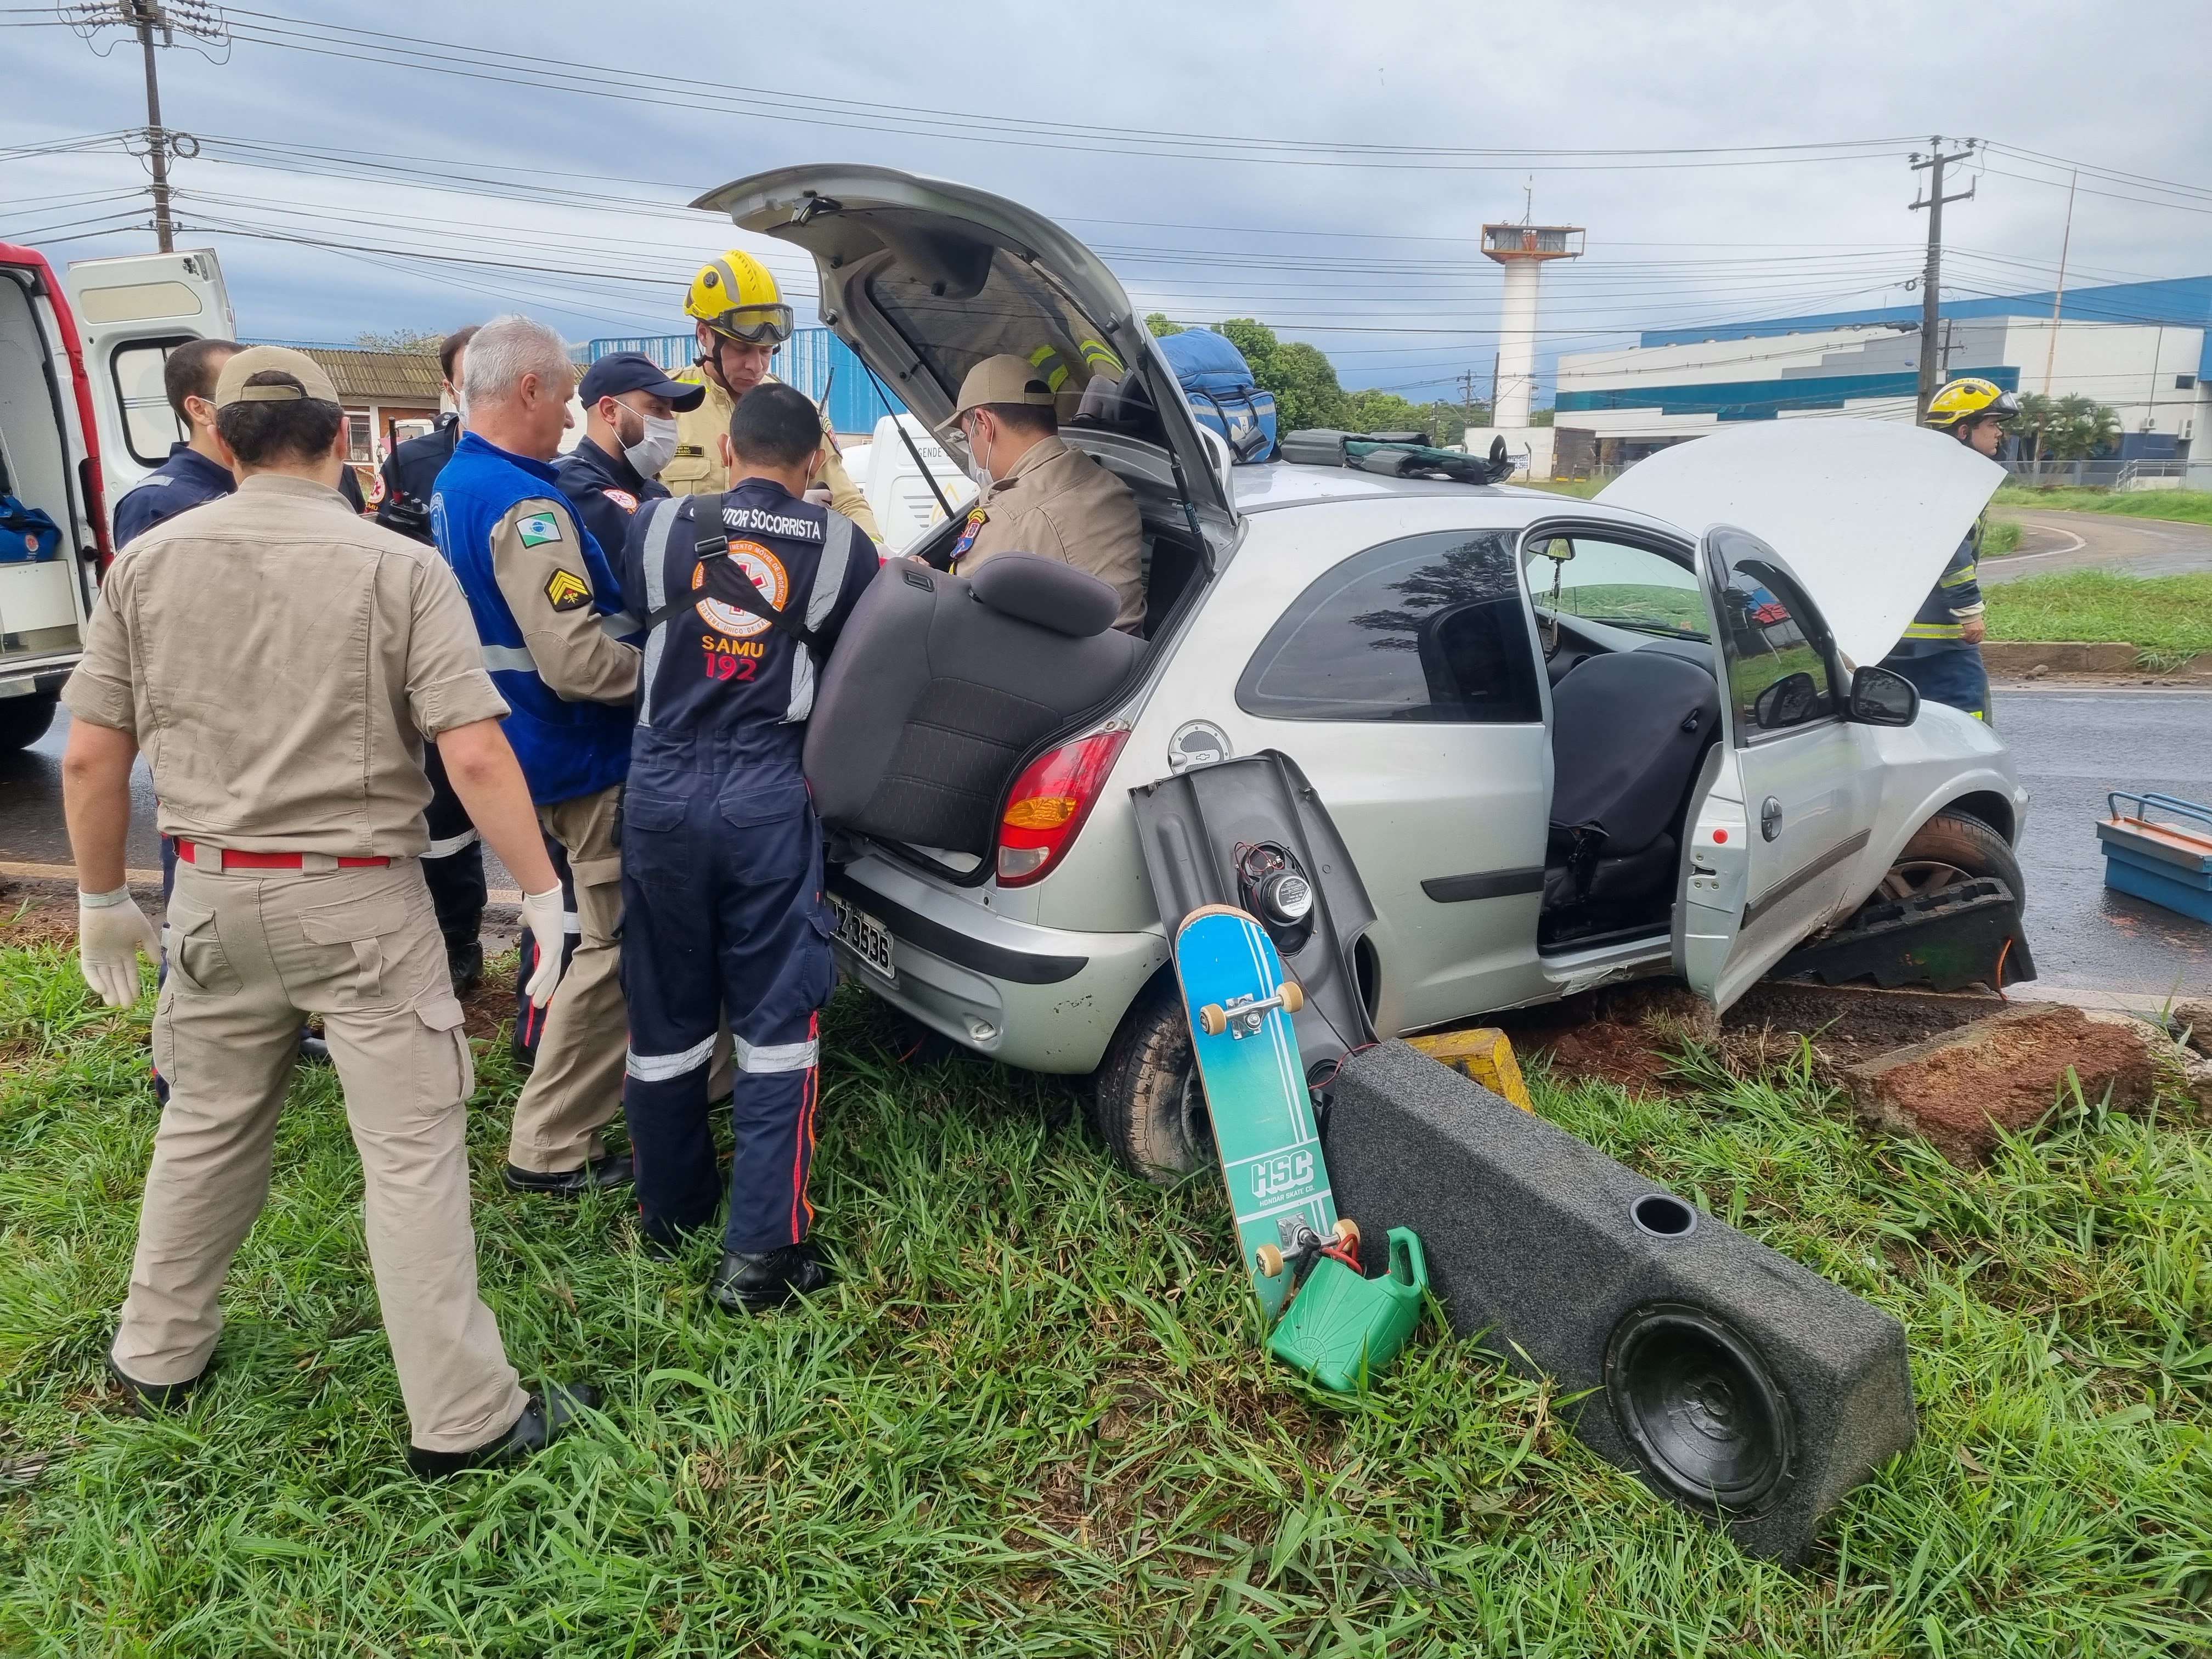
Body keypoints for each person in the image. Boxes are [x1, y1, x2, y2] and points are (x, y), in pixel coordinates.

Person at [60, 345, 591, 1476]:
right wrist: (542, 897)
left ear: (224, 439)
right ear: (341, 438)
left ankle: (158, 1351)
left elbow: (94, 759)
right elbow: (476, 751)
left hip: (206, 891)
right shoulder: (393, 567)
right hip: (361, 902)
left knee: (203, 1127)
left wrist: (104, 894)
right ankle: (463, 1419)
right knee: (409, 1156)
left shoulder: (145, 564)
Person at [617, 382, 877, 1311]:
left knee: (663, 1014)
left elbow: (635, 625)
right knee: (776, 1026)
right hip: (765, 796)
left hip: (658, 792)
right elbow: (862, 665)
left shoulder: (654, 526)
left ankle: (672, 1211)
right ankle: (761, 1256)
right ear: (814, 461)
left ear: (726, 448)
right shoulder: (846, 548)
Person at [431, 315, 641, 1197]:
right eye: (561, 396)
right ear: (527, 389)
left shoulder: (457, 482)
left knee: (591, 932)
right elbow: (579, 659)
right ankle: (550, 1145)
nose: (567, 416)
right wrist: (680, 677)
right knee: (614, 943)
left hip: (522, 750)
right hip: (577, 754)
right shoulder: (527, 508)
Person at [374, 324, 487, 992]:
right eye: (468, 377)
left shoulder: (542, 466)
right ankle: (455, 940)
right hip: (437, 670)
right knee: (444, 821)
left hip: (517, 676)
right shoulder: (412, 462)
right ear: (450, 387)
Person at [664, 250, 883, 544]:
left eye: (766, 351)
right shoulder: (665, 405)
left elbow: (848, 504)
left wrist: (881, 561)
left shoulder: (796, 411)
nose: (755, 366)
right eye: (742, 349)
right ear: (704, 334)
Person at [940, 354, 1144, 630]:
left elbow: (953, 617)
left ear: (984, 424)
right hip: (1130, 661)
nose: (972, 450)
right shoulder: (1111, 486)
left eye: (968, 436)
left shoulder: (1009, 517)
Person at [112, 339, 368, 542]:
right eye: (235, 388)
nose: (260, 400)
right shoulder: (154, 503)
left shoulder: (332, 471)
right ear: (199, 409)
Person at [1883, 376, 2016, 723]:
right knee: (1968, 721)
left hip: (1891, 635)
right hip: (1941, 639)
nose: (1999, 433)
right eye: (1991, 424)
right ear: (1963, 431)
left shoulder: (1918, 476)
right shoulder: (1951, 482)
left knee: (1902, 725)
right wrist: (1969, 611)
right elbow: (1951, 553)